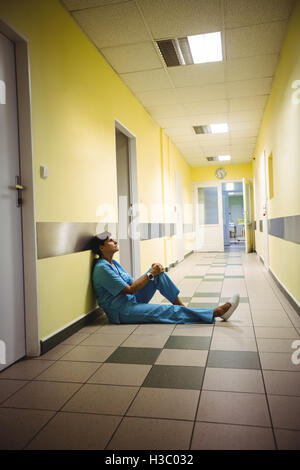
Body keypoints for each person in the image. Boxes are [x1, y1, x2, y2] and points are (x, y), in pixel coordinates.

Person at [90, 232, 240, 325]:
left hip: (132, 300)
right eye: (110, 241)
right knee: (166, 310)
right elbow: (129, 289)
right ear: (101, 248)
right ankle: (215, 313)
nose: (115, 241)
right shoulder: (102, 268)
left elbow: (132, 283)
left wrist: (152, 272)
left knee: (158, 275)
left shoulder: (113, 263)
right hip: (122, 311)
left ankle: (182, 308)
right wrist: (150, 274)